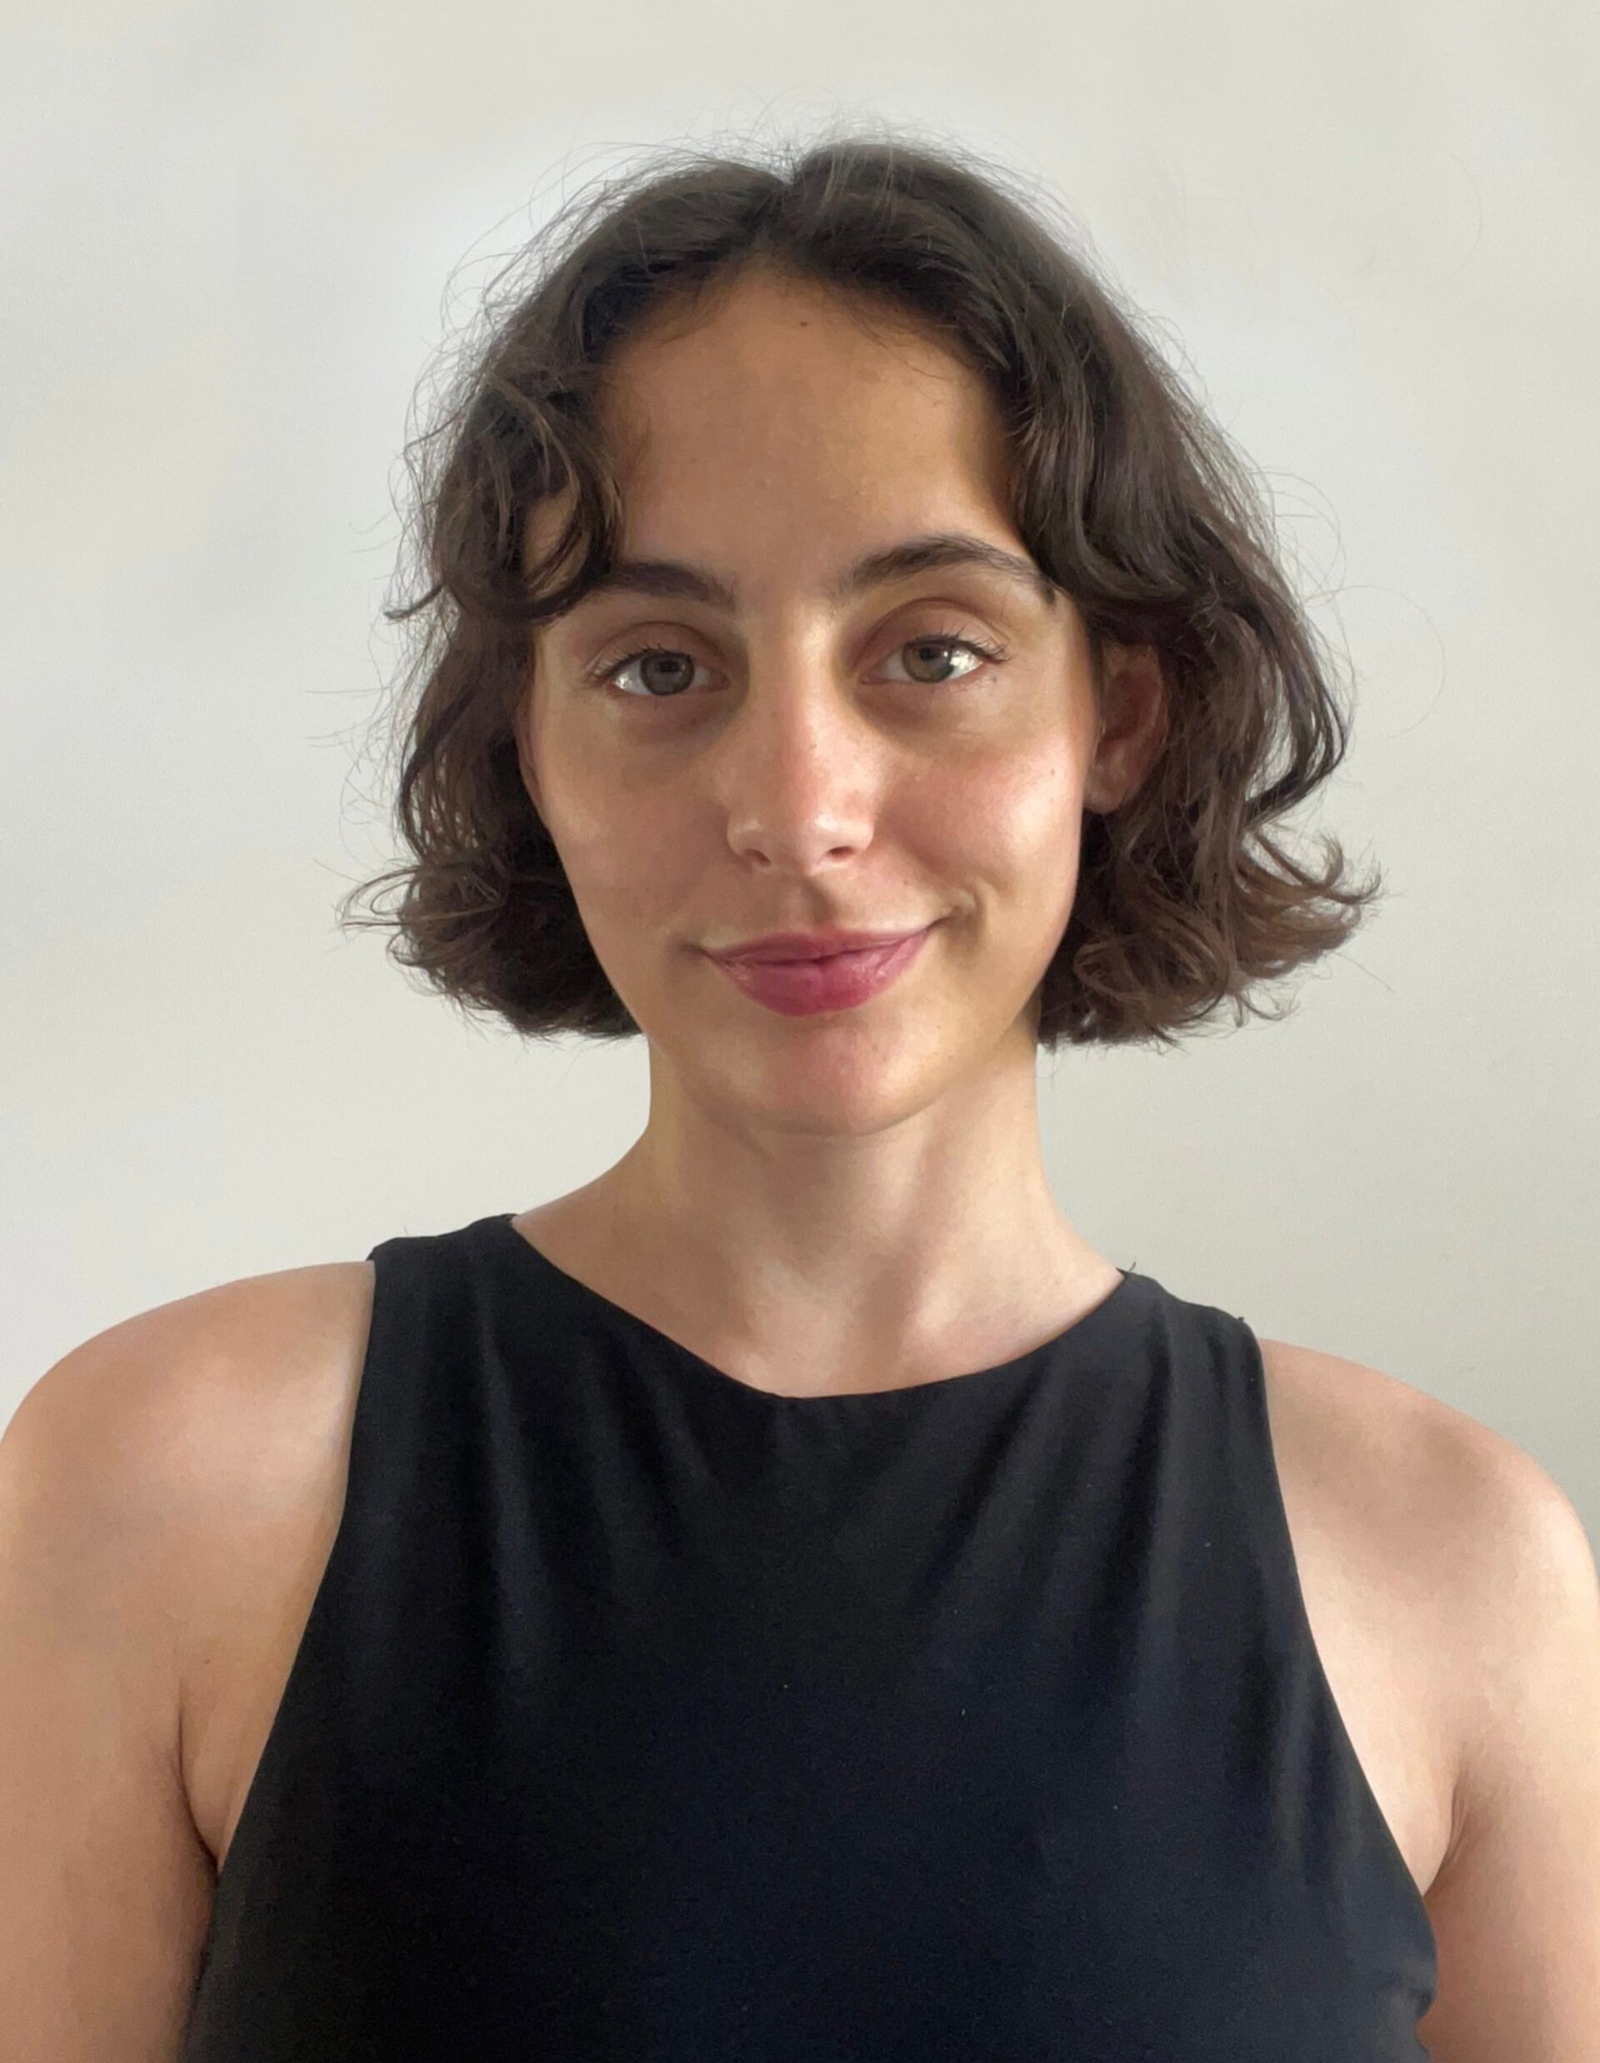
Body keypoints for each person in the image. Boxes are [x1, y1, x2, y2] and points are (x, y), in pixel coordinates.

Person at [4, 130, 1597, 2062]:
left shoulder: (1460, 1568)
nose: (797, 807)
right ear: (531, 747)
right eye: (658, 666)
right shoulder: (159, 1488)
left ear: (1120, 710)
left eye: (931, 650)